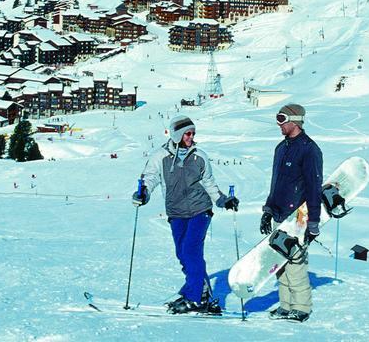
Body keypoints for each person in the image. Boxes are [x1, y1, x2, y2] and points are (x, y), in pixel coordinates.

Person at [133, 115, 239, 314]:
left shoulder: (200, 156)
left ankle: (195, 298)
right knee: (182, 253)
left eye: (192, 133)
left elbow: (208, 182)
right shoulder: (160, 156)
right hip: (176, 211)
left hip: (200, 210)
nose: (190, 137)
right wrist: (143, 193)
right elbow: (150, 178)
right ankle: (201, 292)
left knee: (191, 250)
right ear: (177, 135)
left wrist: (223, 200)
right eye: (187, 134)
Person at [260, 103, 323, 322]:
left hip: (298, 216)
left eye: (281, 119)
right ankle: (286, 306)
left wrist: (313, 221)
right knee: (280, 262)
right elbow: (276, 184)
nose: (278, 125)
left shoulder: (309, 150)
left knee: (296, 263)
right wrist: (268, 210)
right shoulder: (281, 148)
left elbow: (315, 187)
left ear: (294, 120)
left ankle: (302, 307)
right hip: (279, 214)